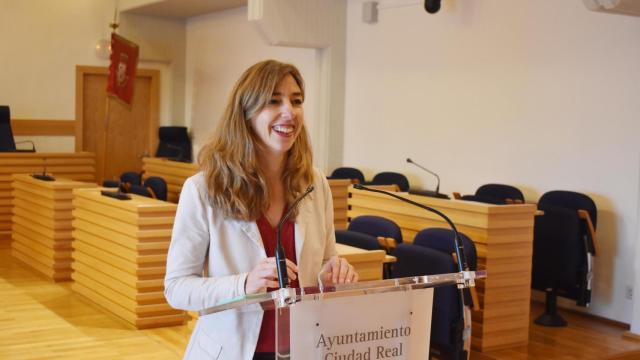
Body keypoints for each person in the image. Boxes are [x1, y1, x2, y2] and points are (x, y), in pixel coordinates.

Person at [164, 59, 359, 360]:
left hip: (304, 347)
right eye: (273, 101)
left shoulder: (314, 182)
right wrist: (245, 284)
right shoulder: (204, 189)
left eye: (296, 101)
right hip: (233, 350)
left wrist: (333, 274)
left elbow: (324, 261)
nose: (289, 112)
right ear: (246, 113)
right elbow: (177, 288)